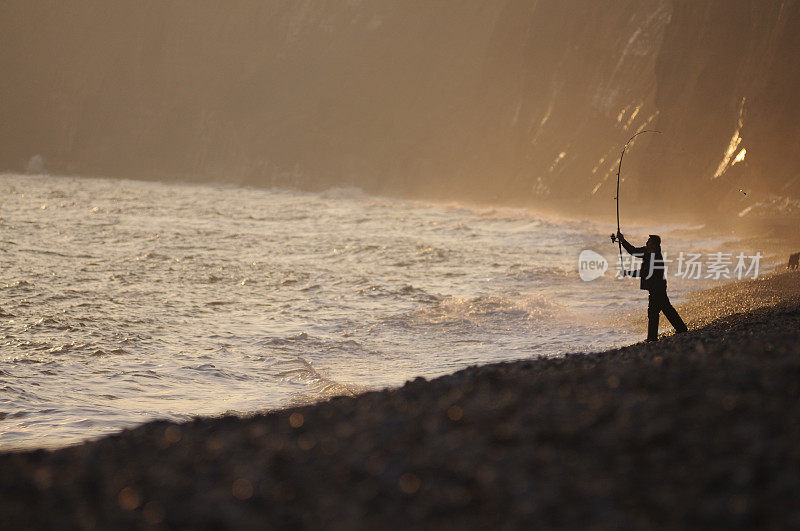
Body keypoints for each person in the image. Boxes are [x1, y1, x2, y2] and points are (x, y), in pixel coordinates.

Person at [617, 231, 688, 342]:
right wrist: (622, 240)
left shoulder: (655, 258)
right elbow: (634, 251)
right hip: (655, 287)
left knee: (653, 313)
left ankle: (652, 338)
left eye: (649, 242)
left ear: (654, 245)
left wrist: (628, 273)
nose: (646, 243)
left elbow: (644, 273)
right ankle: (681, 328)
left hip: (657, 288)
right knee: (666, 309)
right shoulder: (647, 251)